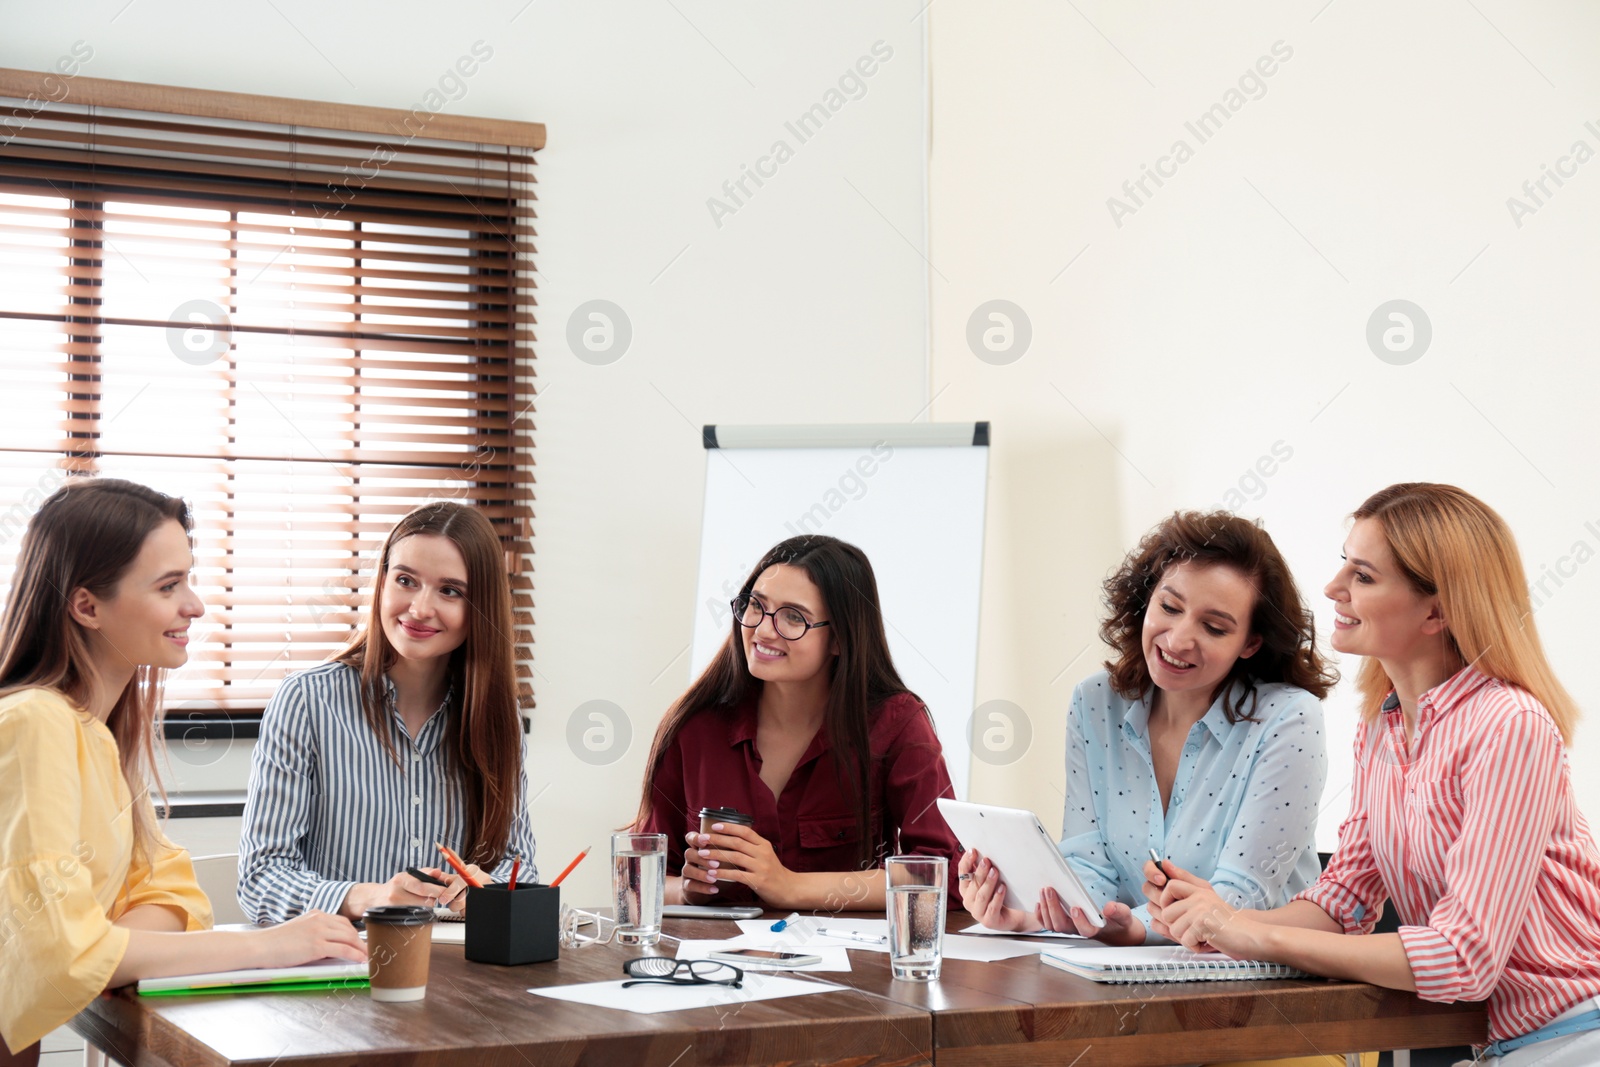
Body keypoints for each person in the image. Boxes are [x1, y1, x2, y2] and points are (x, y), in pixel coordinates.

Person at [1147, 484, 1600, 1067]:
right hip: (1504, 1047)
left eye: (1362, 576)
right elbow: (1343, 902)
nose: (1334, 589)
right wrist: (1219, 920)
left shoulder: (1509, 725)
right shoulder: (1382, 730)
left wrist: (1251, 933)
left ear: (1437, 610)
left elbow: (1463, 958)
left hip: (1575, 1037)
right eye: (1344, 565)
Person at [0, 479, 362, 1067]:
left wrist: (111, 948)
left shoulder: (94, 733)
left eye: (188, 580)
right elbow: (55, 952)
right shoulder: (36, 723)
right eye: (169, 586)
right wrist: (268, 947)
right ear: (87, 606)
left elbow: (174, 890)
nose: (194, 605)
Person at [960, 511, 1334, 948]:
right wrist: (1032, 912)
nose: (1176, 641)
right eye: (1169, 607)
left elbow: (1239, 898)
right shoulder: (1096, 701)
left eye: (1214, 628)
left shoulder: (1289, 719)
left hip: (1250, 977)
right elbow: (1089, 865)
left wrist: (1134, 929)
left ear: (1251, 643)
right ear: (1146, 601)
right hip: (1128, 970)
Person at [239, 502, 537, 924]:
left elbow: (517, 869)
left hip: (457, 971)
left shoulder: (497, 721)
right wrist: (372, 897)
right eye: (405, 581)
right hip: (338, 971)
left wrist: (487, 893)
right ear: (381, 584)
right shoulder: (306, 701)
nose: (419, 608)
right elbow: (261, 878)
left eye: (450, 591)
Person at [637, 534, 961, 911]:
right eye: (756, 606)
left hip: (848, 966)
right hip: (715, 965)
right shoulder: (693, 728)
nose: (762, 630)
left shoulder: (897, 725)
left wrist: (790, 886)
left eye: (794, 617)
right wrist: (688, 891)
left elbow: (944, 874)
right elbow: (642, 875)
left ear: (840, 638)